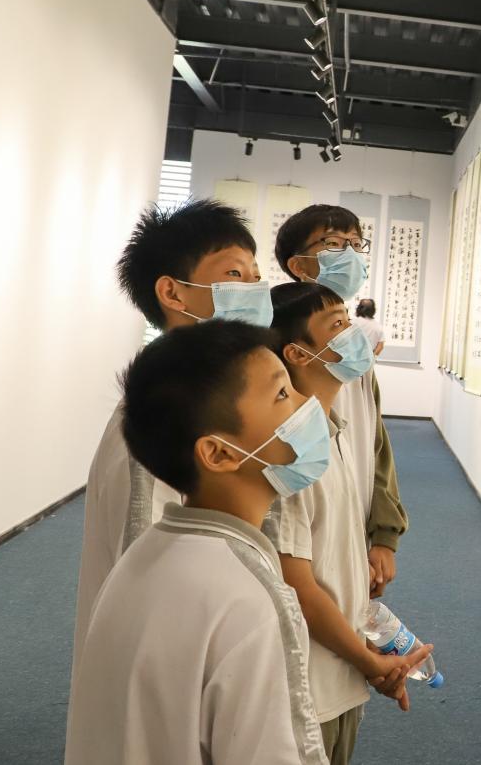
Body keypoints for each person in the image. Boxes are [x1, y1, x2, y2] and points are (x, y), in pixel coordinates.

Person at [66, 321, 362, 764]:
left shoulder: (142, 559)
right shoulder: (250, 595)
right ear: (219, 453)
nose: (308, 404)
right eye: (283, 394)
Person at [71, 199, 270, 679]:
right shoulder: (156, 424)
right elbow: (154, 590)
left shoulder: (205, 403)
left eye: (257, 275)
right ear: (173, 293)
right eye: (235, 274)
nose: (256, 289)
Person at [266, 281, 420, 765]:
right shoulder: (292, 448)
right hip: (307, 687)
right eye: (337, 326)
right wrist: (367, 660)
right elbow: (296, 585)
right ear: (298, 353)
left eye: (349, 321)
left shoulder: (331, 431)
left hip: (341, 675)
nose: (353, 334)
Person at [275, 206, 406, 598]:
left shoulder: (355, 352)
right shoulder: (280, 346)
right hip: (300, 528)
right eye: (333, 243)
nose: (350, 254)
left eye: (355, 243)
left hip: (354, 515)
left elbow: (377, 446)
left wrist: (384, 535)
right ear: (299, 265)